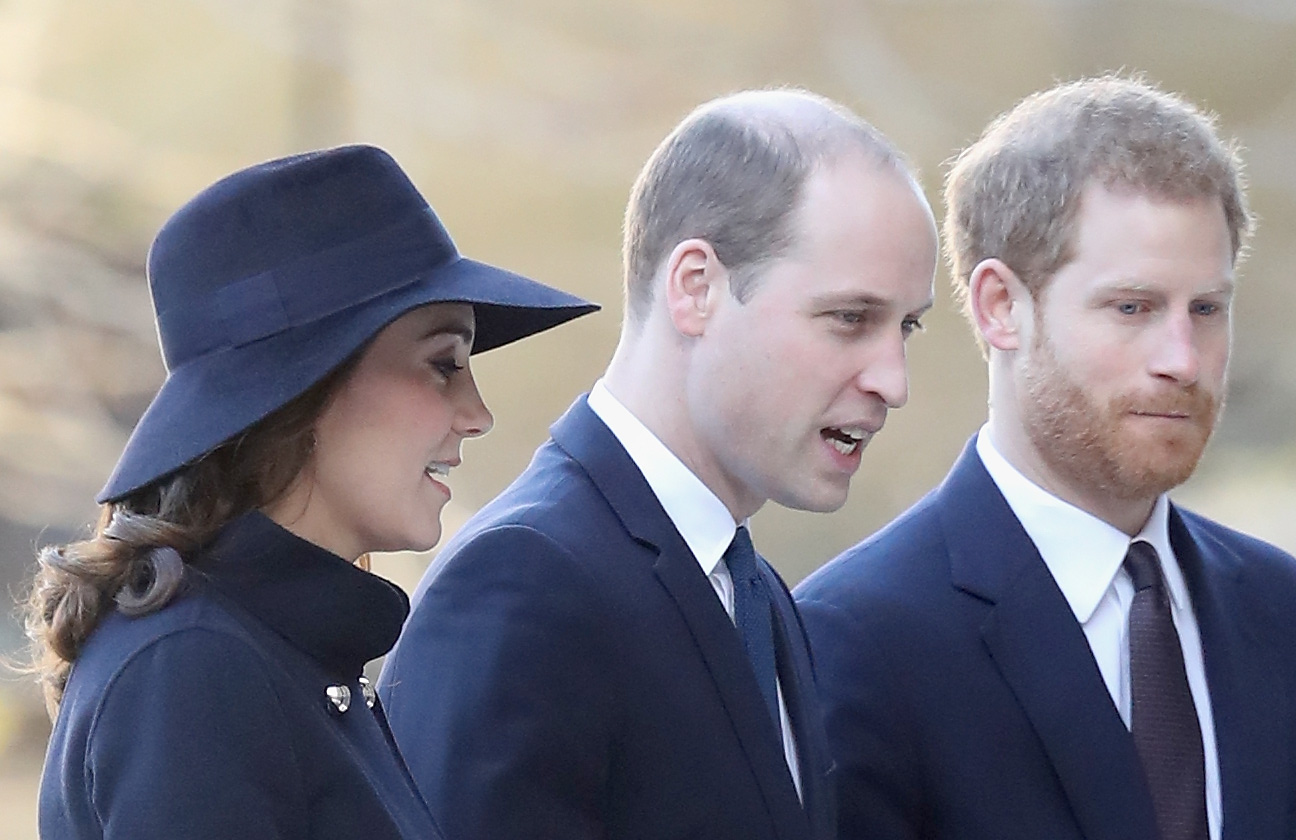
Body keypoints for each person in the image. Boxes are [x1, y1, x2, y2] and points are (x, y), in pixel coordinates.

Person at [376, 88, 938, 840]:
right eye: (850, 319)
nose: (892, 381)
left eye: (906, 327)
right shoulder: (523, 583)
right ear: (695, 287)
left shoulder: (755, 591)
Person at [24, 144, 596, 840]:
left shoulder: (274, 650)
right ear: (306, 387)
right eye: (442, 364)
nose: (477, 414)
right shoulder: (192, 671)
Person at [795, 75, 1296, 840]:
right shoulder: (852, 644)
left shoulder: (1281, 610)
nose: (1183, 360)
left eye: (1206, 309)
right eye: (1132, 307)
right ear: (1002, 306)